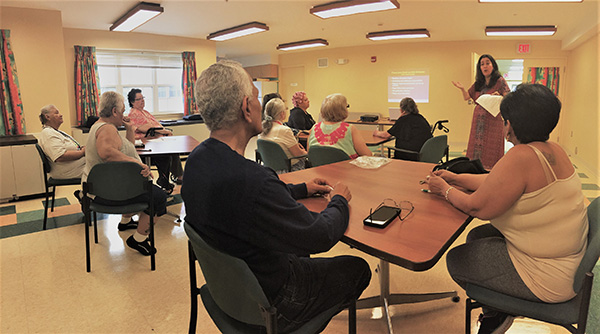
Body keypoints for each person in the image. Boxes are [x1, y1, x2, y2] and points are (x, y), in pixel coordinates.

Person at [182, 60, 371, 333]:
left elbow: (248, 200)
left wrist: (300, 189)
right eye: (257, 98)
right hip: (276, 300)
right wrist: (340, 199)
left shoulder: (198, 161)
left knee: (299, 249)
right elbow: (320, 236)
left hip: (233, 291)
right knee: (357, 268)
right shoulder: (252, 180)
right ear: (247, 108)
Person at [425, 84, 588, 334]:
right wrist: (454, 179)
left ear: (509, 124)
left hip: (547, 277)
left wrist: (443, 190)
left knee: (456, 260)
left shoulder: (521, 156)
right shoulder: (553, 150)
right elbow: (495, 183)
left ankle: (498, 314)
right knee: (478, 237)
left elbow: (475, 206)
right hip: (568, 262)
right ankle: (495, 308)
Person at [83, 91, 168, 256]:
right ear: (114, 111)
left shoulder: (101, 126)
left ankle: (125, 222)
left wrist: (129, 129)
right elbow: (106, 152)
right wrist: (136, 163)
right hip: (108, 192)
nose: (123, 114)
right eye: (121, 111)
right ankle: (138, 239)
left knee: (138, 185)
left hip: (102, 188)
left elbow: (125, 149)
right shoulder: (107, 129)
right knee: (159, 198)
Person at [452, 54, 510, 169]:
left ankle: (492, 171)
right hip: (478, 122)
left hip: (493, 121)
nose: (485, 66)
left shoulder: (500, 81)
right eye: (482, 64)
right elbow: (467, 97)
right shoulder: (478, 83)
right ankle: (475, 170)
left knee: (491, 149)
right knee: (475, 149)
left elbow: (509, 98)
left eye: (487, 63)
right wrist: (462, 88)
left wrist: (499, 96)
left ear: (493, 65)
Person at [126, 88, 183, 193]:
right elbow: (147, 128)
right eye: (138, 99)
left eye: (142, 98)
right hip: (144, 144)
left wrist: (164, 131)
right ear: (132, 102)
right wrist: (164, 132)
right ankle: (167, 179)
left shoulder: (145, 112)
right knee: (166, 153)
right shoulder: (134, 113)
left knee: (173, 149)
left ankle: (175, 177)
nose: (142, 100)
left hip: (154, 141)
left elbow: (157, 125)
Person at [308, 93, 372, 158]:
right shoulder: (350, 128)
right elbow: (367, 154)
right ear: (343, 110)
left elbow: (310, 153)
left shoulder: (314, 128)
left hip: (319, 167)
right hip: (346, 167)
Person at [258, 98, 307, 173]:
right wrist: (306, 152)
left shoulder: (262, 129)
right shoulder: (284, 130)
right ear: (282, 114)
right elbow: (299, 154)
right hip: (289, 170)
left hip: (269, 169)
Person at [38, 105, 86, 179]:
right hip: (67, 171)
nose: (60, 115)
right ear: (47, 117)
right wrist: (82, 153)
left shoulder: (56, 131)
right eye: (56, 113)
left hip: (73, 166)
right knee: (100, 166)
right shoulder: (48, 133)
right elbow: (60, 156)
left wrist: (83, 148)